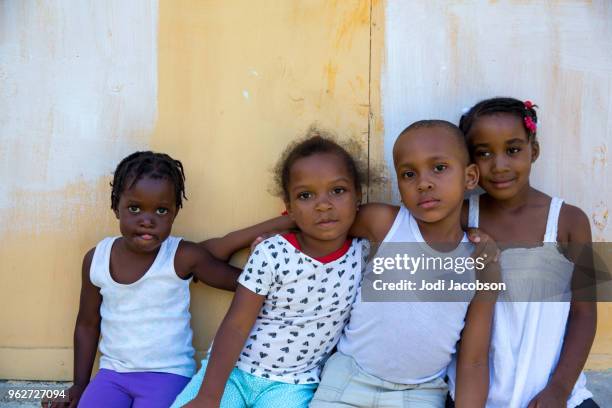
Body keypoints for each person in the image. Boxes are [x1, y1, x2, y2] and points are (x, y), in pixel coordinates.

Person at [171, 131, 370, 408]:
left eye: (338, 191)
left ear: (358, 196)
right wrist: (208, 396)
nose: (323, 204)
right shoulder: (272, 252)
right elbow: (236, 324)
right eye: (306, 195)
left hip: (293, 385)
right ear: (288, 207)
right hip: (234, 374)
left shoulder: (361, 253)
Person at [310, 120, 499, 408]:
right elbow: (320, 221)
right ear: (399, 186)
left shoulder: (481, 260)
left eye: (439, 168)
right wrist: (271, 235)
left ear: (470, 176)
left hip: (421, 393)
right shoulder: (385, 223)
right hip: (350, 379)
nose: (423, 182)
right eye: (409, 174)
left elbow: (474, 359)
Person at [50, 151, 243, 408]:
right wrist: (79, 385)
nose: (147, 221)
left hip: (168, 374)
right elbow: (86, 325)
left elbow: (246, 284)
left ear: (174, 213)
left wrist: (275, 238)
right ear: (115, 207)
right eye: (134, 208)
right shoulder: (96, 259)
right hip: (113, 375)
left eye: (161, 210)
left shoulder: (181, 256)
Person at [446, 97, 598, 408]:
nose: (499, 165)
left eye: (513, 150)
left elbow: (584, 315)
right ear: (470, 164)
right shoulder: (461, 218)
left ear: (534, 150)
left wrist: (559, 389)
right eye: (484, 153)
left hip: (553, 393)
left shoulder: (569, 221)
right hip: (472, 395)